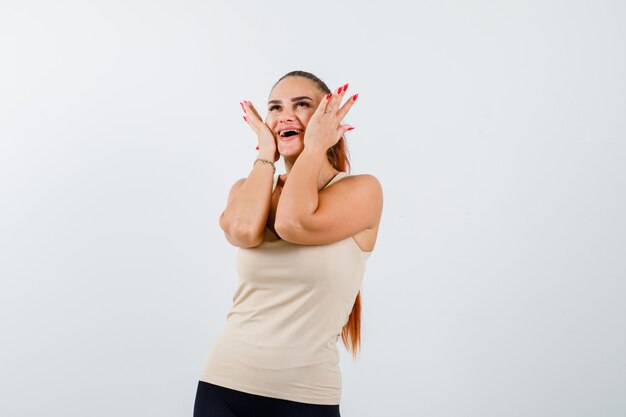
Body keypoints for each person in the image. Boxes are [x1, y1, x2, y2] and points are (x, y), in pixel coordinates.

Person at [193, 70, 383, 417]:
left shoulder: (362, 191)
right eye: (275, 108)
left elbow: (293, 223)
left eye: (302, 105)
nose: (285, 116)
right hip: (223, 385)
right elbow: (242, 232)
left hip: (305, 397)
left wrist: (313, 149)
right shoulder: (248, 188)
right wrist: (266, 154)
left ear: (329, 116)